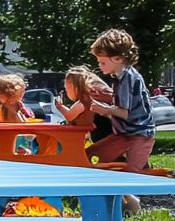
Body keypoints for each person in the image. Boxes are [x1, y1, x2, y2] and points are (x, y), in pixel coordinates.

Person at [86, 27, 156, 170]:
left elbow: (125, 113)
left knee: (133, 172)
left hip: (139, 134)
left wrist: (105, 110)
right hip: (125, 134)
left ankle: (134, 188)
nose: (99, 66)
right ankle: (119, 187)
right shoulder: (120, 77)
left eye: (103, 62)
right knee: (91, 154)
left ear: (118, 59)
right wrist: (105, 101)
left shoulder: (128, 79)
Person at [55, 66, 114, 143]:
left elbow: (70, 115)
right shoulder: (94, 96)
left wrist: (60, 107)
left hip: (104, 134)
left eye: (66, 87)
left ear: (74, 86)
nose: (66, 90)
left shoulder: (86, 100)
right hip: (108, 132)